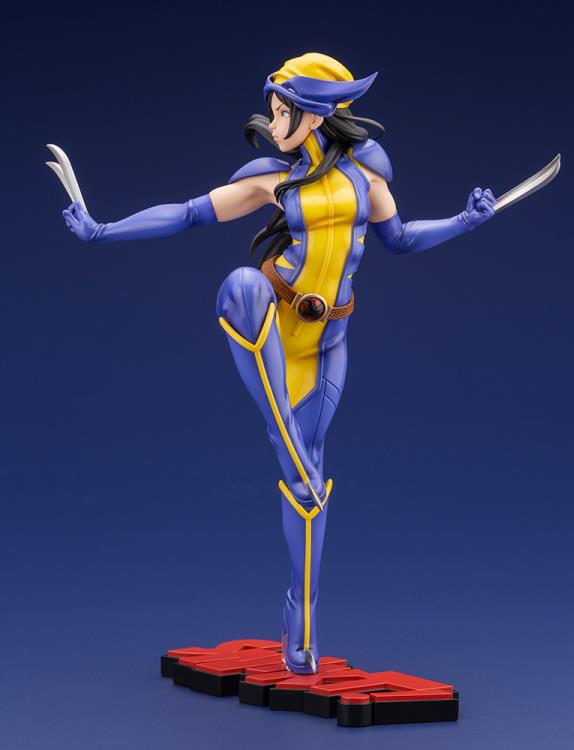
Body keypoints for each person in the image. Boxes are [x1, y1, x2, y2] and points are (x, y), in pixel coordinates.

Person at [61, 52, 497, 675]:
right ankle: (284, 436)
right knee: (242, 287)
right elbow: (188, 212)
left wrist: (464, 221)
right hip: (271, 324)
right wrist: (102, 230)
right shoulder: (272, 178)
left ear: (315, 115)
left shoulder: (367, 173)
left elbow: (400, 239)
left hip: (327, 342)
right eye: (271, 108)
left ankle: (301, 626)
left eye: (282, 110)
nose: (271, 121)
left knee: (305, 485)